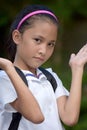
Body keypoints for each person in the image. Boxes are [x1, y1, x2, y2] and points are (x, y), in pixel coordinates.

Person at [0, 4, 87, 130]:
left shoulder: (50, 77)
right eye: (37, 40)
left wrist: (77, 68)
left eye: (50, 44)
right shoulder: (5, 78)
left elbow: (70, 118)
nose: (43, 50)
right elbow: (36, 116)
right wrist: (9, 68)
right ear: (17, 37)